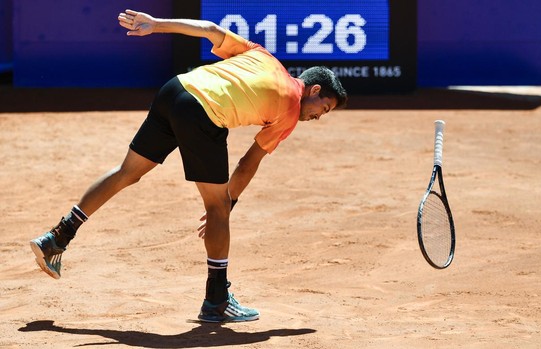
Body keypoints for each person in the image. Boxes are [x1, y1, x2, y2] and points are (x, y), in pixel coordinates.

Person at [29, 9, 347, 323]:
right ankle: (217, 300)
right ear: (315, 90)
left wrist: (156, 25)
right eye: (325, 108)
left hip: (176, 90)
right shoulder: (290, 112)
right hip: (202, 113)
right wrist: (225, 206)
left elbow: (209, 29)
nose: (319, 116)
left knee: (128, 172)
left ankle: (58, 236)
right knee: (218, 205)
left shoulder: (264, 57)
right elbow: (248, 163)